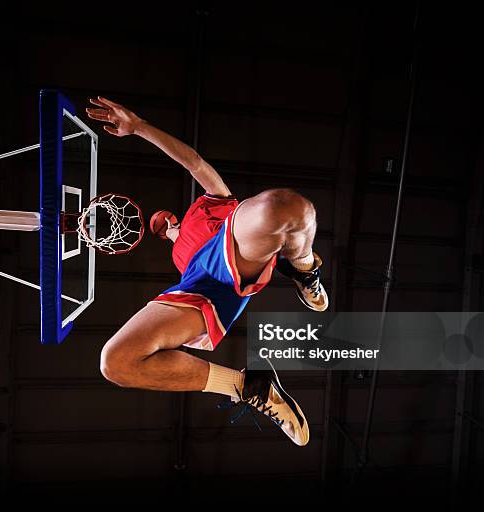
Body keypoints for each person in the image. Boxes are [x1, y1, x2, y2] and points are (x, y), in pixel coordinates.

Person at [86, 96, 328, 445]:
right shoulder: (180, 256)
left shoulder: (208, 205)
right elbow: (180, 250)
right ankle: (249, 387)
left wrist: (139, 127)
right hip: (202, 284)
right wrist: (172, 235)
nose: (165, 223)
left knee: (288, 207)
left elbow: (195, 163)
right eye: (161, 228)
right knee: (116, 362)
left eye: (165, 219)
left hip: (231, 238)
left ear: (174, 212)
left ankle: (304, 269)